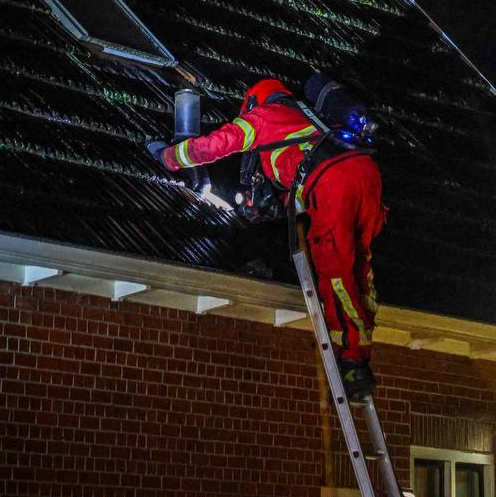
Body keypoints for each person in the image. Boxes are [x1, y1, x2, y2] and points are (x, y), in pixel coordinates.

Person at [150, 78, 387, 399]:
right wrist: (275, 204)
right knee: (361, 265)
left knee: (336, 269)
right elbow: (302, 179)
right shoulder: (308, 118)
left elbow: (217, 144)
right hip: (366, 174)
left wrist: (171, 157)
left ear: (252, 103)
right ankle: (360, 351)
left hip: (334, 183)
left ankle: (351, 360)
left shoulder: (265, 116)